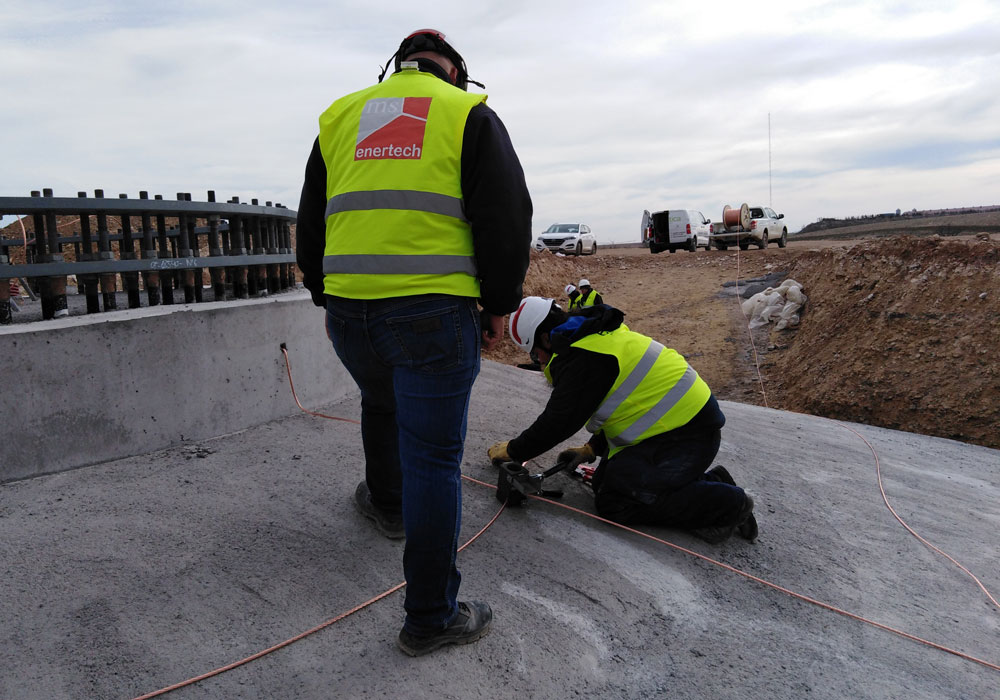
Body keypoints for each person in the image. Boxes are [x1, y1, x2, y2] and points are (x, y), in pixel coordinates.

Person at [295, 28, 532, 656]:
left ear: (395, 69)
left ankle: (387, 504)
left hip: (352, 314)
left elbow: (311, 218)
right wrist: (499, 304)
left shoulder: (341, 117)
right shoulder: (466, 114)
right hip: (432, 312)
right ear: (454, 72)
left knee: (380, 402)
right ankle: (429, 616)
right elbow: (506, 219)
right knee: (433, 458)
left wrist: (325, 296)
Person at [487, 298, 756, 544]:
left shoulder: (583, 358)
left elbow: (558, 422)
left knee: (617, 503)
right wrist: (593, 448)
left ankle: (730, 505)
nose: (538, 361)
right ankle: (712, 481)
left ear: (545, 339)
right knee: (605, 482)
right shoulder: (592, 336)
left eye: (535, 353)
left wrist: (514, 450)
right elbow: (627, 400)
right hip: (677, 430)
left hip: (687, 437)